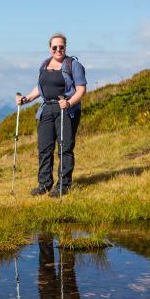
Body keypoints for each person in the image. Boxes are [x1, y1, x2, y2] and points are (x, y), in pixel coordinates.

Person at [15, 33, 87, 197]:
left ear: (65, 47)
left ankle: (63, 185)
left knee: (65, 148)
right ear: (50, 48)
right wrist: (26, 99)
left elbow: (81, 89)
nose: (58, 50)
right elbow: (40, 88)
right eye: (55, 47)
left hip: (65, 110)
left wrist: (69, 103)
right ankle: (44, 184)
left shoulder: (73, 65)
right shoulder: (44, 64)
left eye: (61, 47)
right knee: (45, 148)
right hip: (46, 109)